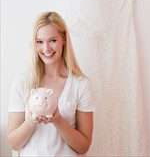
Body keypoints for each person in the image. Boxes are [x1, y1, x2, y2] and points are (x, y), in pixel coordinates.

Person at [7, 11, 96, 157]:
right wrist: (31, 121)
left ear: (64, 39)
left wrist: (58, 120)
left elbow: (83, 147)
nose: (46, 48)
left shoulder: (81, 85)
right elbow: (14, 143)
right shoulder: (21, 83)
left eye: (53, 40)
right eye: (39, 42)